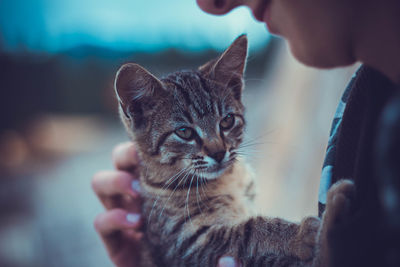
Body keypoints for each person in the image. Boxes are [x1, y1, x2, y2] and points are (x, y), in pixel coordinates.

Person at [92, 0, 400, 266]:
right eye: (186, 132)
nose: (216, 148)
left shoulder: (376, 110)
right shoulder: (362, 106)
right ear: (138, 113)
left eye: (226, 124)